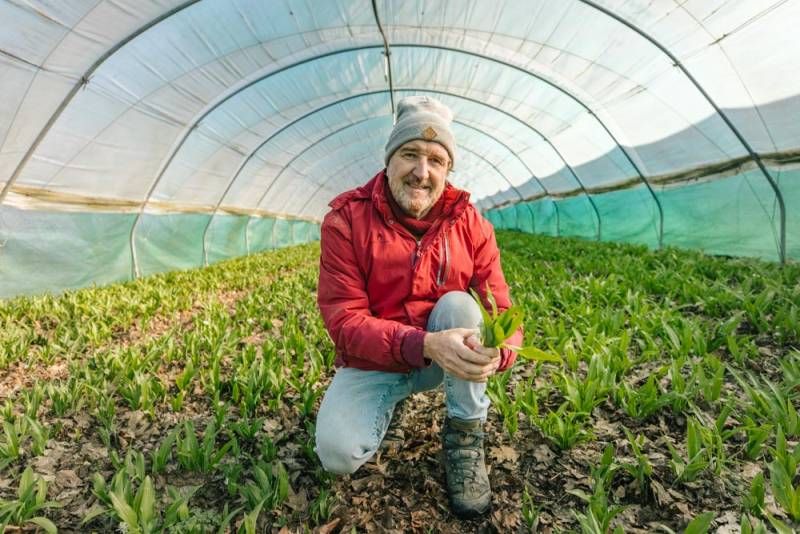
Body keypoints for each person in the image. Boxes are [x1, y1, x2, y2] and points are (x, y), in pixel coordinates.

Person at [314, 95, 523, 518]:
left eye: (436, 160)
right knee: (337, 454)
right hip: (379, 359)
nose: (421, 172)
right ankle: (393, 400)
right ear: (389, 159)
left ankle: (465, 436)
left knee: (462, 307)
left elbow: (501, 310)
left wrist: (499, 353)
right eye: (410, 154)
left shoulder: (473, 225)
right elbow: (344, 321)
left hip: (442, 354)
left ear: (448, 169)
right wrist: (425, 344)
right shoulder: (346, 220)